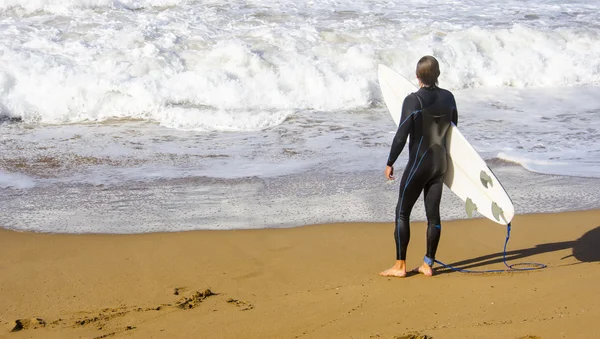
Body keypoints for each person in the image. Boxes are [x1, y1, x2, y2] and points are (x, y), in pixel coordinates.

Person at [379, 55, 458, 278]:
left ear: (417, 76)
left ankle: (400, 266)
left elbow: (401, 136)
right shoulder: (449, 97)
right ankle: (427, 264)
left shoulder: (413, 100)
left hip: (419, 165)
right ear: (438, 74)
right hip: (439, 164)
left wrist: (390, 162)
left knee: (402, 212)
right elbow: (454, 129)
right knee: (433, 215)